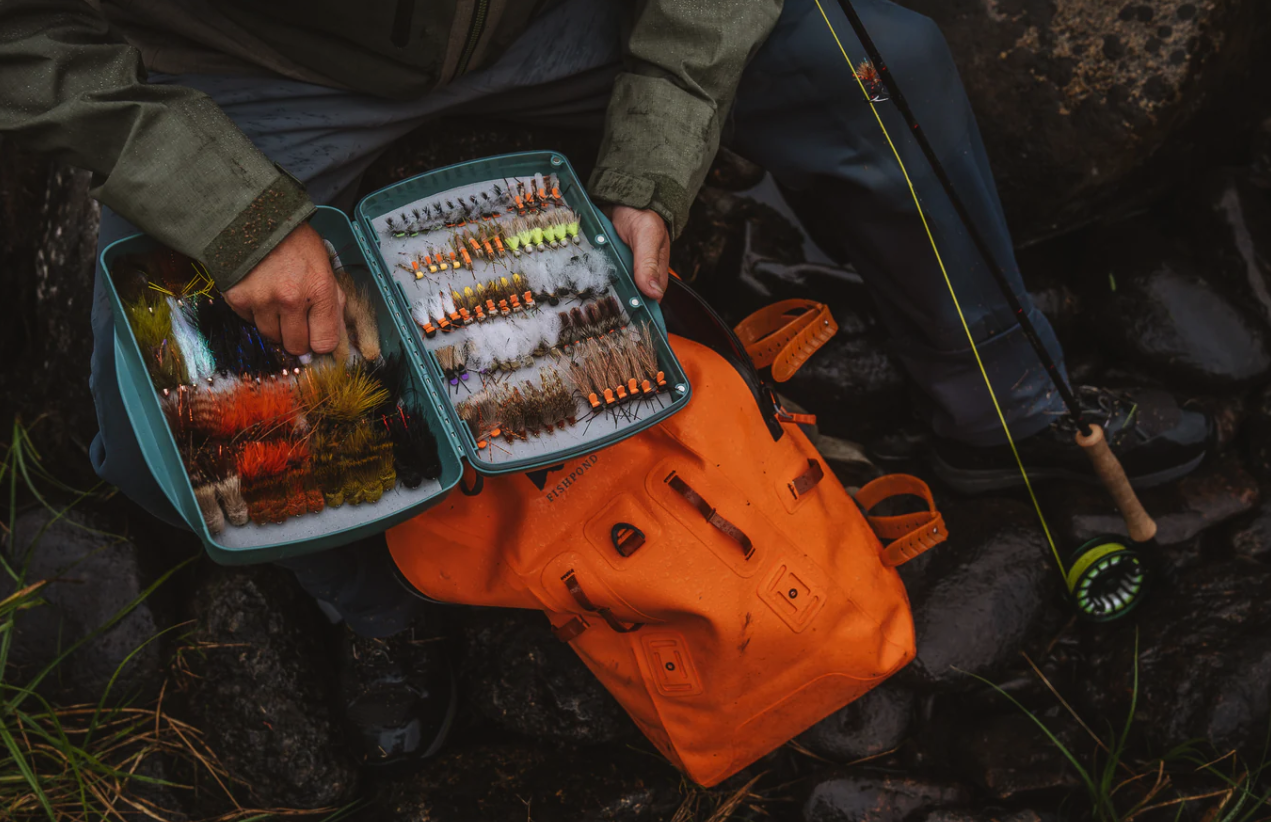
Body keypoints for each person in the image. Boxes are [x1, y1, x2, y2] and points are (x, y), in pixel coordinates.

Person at [0, 0, 1211, 766]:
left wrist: (658, 143)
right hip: (236, 81)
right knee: (156, 441)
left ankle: (998, 402)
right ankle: (379, 608)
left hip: (558, 17)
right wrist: (228, 212)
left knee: (869, 60)